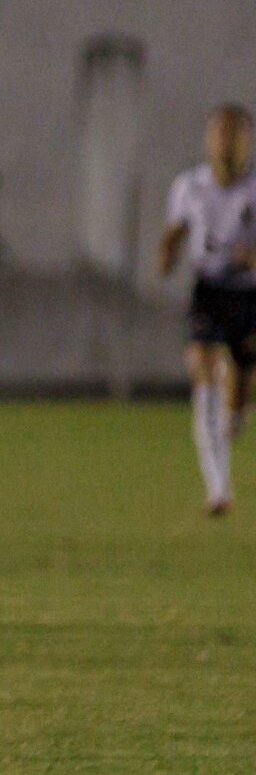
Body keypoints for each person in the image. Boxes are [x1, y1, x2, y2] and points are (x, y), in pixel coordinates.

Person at [156, 103, 256, 516]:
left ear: (247, 141)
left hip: (249, 295)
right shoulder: (189, 185)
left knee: (240, 392)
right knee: (204, 368)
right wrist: (166, 252)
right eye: (219, 133)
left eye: (235, 134)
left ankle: (232, 421)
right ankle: (218, 489)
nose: (226, 142)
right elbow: (175, 231)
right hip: (209, 292)